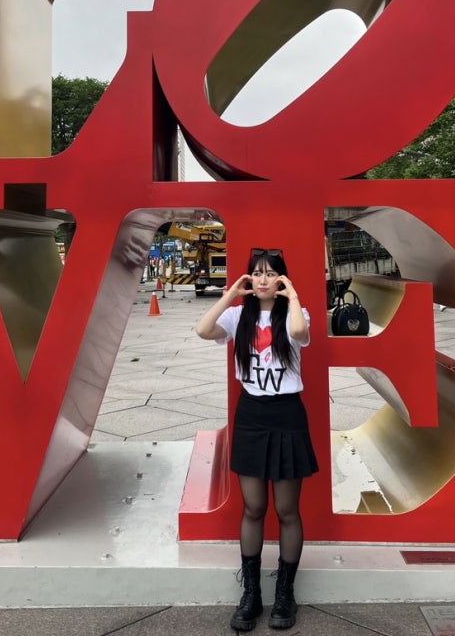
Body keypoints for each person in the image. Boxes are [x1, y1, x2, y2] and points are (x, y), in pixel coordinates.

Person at [195, 248, 318, 632]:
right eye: (257, 273)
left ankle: (284, 594)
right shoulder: (238, 316)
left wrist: (292, 296)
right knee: (253, 507)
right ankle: (251, 594)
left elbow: (299, 334)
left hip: (287, 415)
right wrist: (231, 294)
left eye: (271, 273)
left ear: (281, 278)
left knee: (286, 509)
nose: (263, 279)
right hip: (251, 415)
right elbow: (202, 330)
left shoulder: (296, 313)